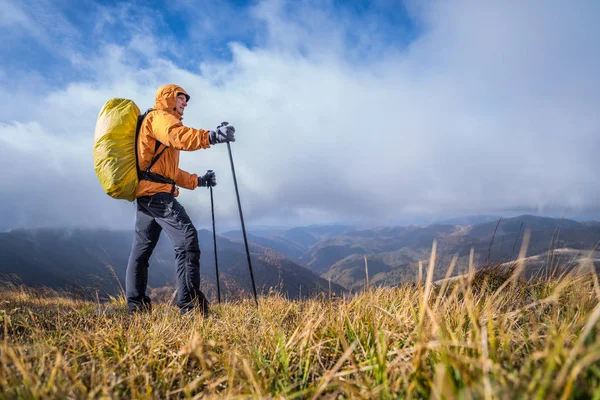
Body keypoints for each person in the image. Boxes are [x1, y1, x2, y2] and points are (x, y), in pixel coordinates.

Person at [125, 84, 236, 314]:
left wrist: (199, 180)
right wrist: (211, 136)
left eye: (186, 99)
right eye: (181, 98)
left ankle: (136, 307)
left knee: (141, 251)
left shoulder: (157, 122)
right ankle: (190, 307)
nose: (185, 102)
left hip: (148, 195)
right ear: (168, 98)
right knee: (187, 240)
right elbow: (178, 137)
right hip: (157, 196)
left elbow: (169, 172)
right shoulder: (160, 119)